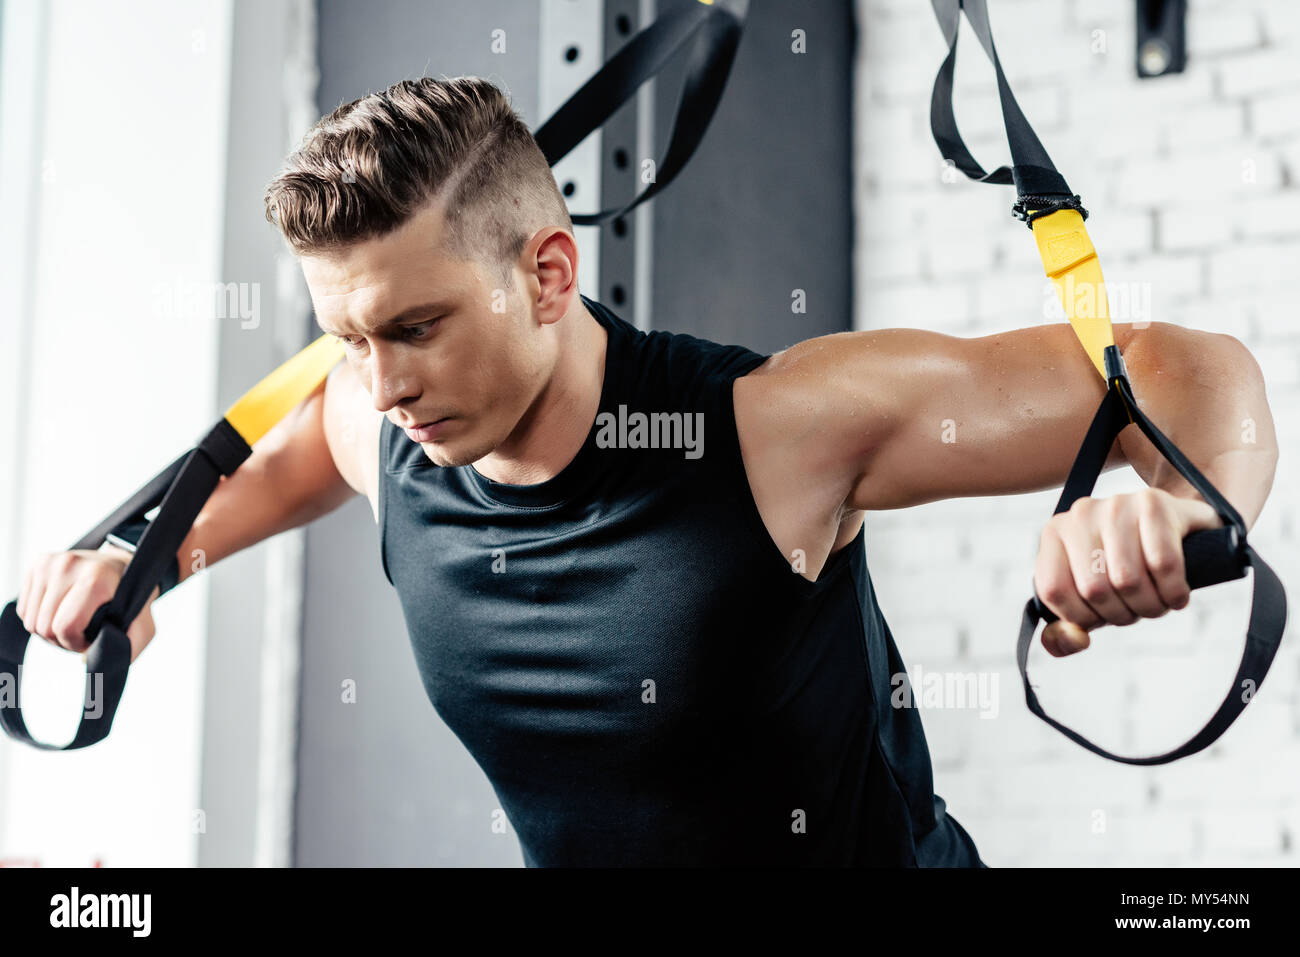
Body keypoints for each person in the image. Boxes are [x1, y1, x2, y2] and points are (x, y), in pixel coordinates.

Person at [16, 77, 1277, 867]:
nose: (381, 381)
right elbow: (289, 455)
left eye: (415, 328)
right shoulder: (376, 425)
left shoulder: (778, 432)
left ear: (549, 275)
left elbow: (1183, 371)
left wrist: (1168, 509)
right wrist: (151, 565)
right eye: (347, 336)